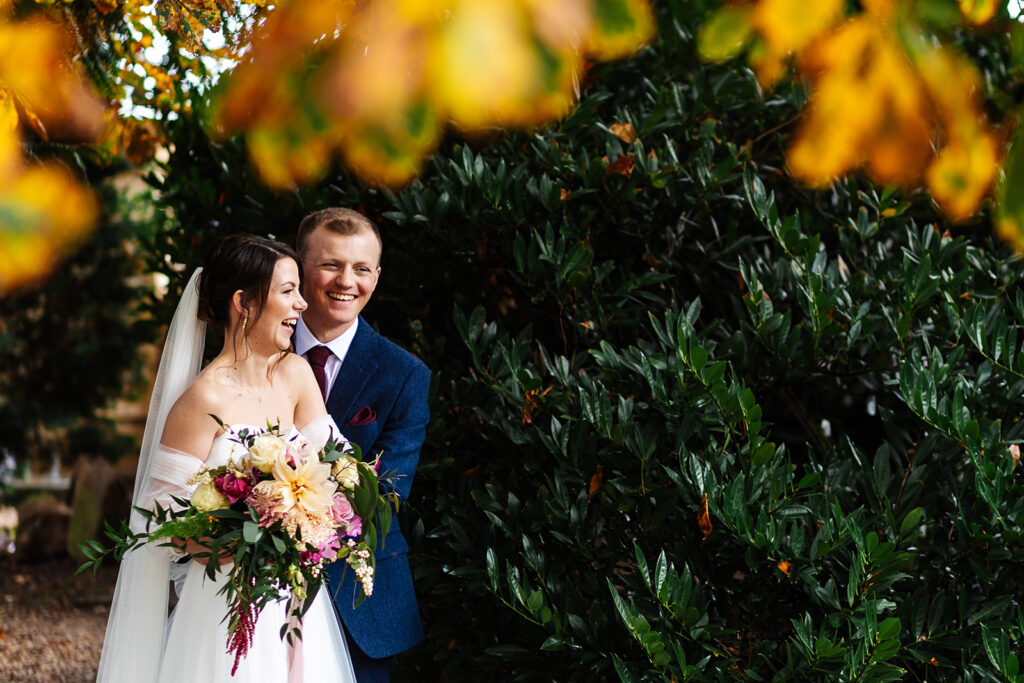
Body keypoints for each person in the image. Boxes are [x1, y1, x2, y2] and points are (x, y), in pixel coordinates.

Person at [96, 234, 357, 683]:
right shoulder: (201, 400)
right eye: (287, 291)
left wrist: (311, 521)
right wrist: (245, 540)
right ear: (245, 303)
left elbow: (340, 469)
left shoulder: (295, 375)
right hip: (224, 606)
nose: (301, 306)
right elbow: (159, 526)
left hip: (296, 607)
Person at [293, 207, 429, 683]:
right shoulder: (251, 358)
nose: (346, 281)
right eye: (331, 264)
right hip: (258, 591)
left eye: (362, 268)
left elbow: (387, 494)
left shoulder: (404, 374)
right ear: (299, 267)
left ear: (376, 275)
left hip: (360, 601)